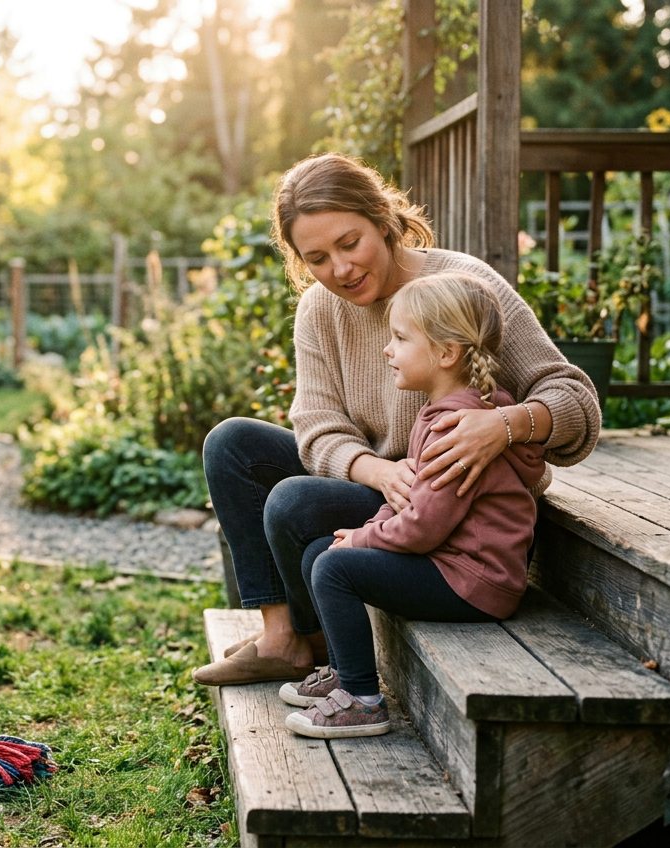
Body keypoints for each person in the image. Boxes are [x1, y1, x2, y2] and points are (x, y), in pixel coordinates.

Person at [192, 152, 600, 690]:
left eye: (349, 243)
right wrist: (377, 472)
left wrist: (501, 426)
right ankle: (282, 640)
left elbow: (576, 400)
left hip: (453, 495)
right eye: (316, 257)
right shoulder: (319, 308)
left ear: (383, 221)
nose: (339, 269)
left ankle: (320, 642)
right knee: (232, 444)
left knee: (293, 503)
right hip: (390, 485)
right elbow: (316, 425)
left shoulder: (462, 286)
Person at [284, 272, 544, 737]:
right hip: (449, 565)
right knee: (320, 553)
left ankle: (363, 702)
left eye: (400, 338)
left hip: (475, 581)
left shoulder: (457, 430)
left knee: (332, 568)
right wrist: (361, 531)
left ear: (446, 353)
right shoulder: (441, 414)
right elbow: (406, 499)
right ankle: (345, 676)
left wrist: (362, 539)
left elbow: (423, 526)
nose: (388, 350)